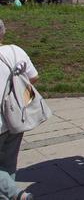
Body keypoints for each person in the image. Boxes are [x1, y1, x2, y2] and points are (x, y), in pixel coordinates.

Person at [0, 19, 37, 200]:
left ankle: (16, 194)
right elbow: (34, 77)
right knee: (7, 165)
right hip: (15, 117)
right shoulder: (15, 50)